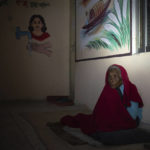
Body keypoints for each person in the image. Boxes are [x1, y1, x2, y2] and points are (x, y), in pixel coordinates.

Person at [60, 64, 144, 136]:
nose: (112, 79)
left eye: (115, 76)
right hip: (119, 117)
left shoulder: (131, 88)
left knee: (106, 128)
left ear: (121, 77)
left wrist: (115, 118)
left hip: (132, 119)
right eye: (110, 76)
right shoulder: (108, 89)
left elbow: (132, 116)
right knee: (95, 123)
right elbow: (101, 108)